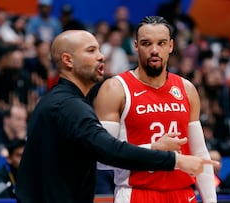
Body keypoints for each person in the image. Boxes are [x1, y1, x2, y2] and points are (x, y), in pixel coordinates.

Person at [15, 29, 219, 203]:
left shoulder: (57, 102)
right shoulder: (71, 106)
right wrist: (173, 160)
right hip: (134, 192)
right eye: (91, 50)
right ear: (68, 60)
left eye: (99, 49)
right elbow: (109, 150)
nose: (101, 56)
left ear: (171, 46)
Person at [93, 16, 217, 203]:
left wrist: (210, 200)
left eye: (161, 43)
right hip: (137, 192)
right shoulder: (115, 89)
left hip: (183, 193)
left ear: (171, 46)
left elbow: (200, 154)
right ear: (135, 46)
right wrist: (153, 149)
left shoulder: (187, 89)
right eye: (146, 43)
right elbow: (101, 159)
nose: (154, 50)